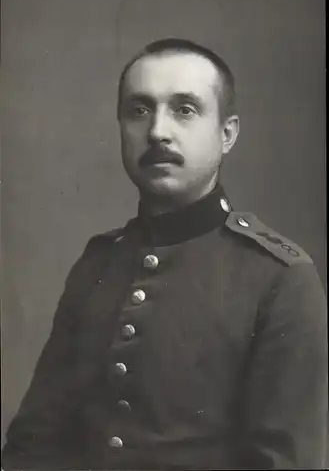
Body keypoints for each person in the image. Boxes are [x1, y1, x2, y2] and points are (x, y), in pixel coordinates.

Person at [2, 38, 327, 470]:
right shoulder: (98, 264)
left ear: (226, 134)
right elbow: (33, 445)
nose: (157, 131)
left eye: (184, 109)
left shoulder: (280, 278)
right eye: (139, 110)